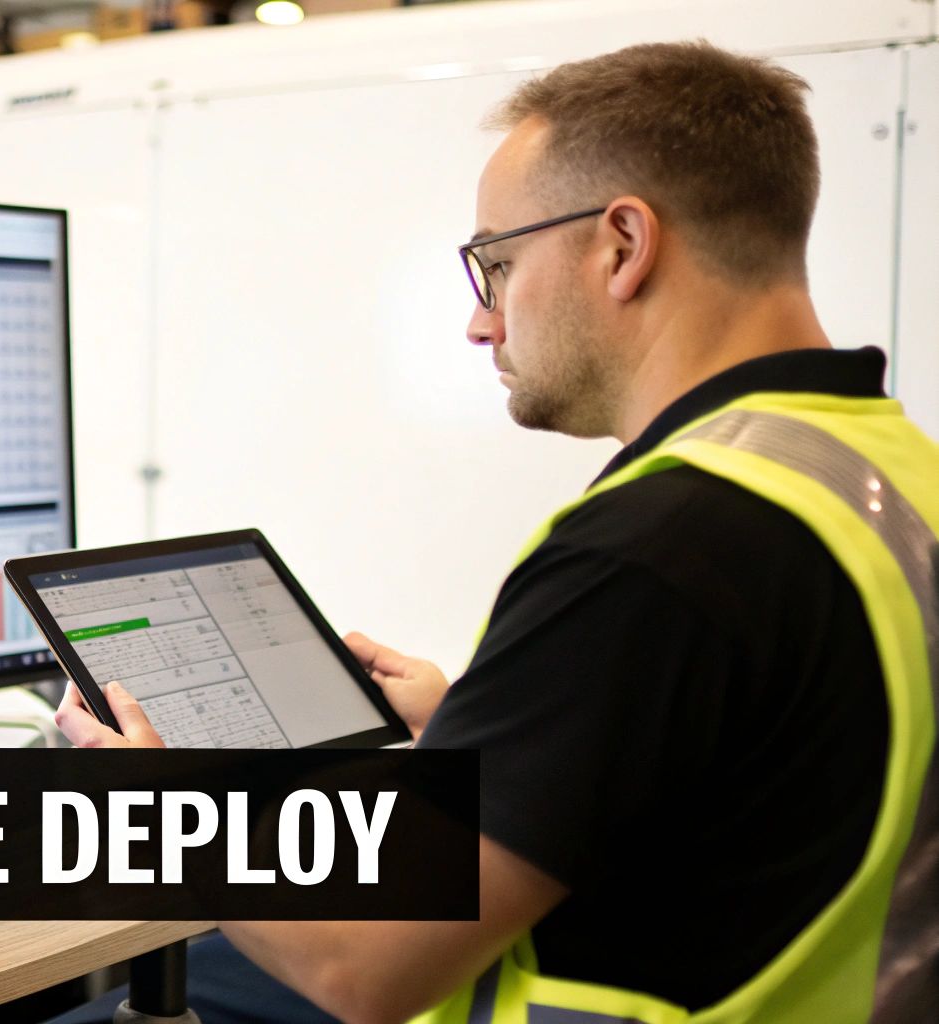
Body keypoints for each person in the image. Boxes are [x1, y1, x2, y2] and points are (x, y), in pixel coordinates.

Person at [48, 40, 938, 1024]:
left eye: (496, 264)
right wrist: (506, 732)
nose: (481, 323)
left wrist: (149, 810)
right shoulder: (888, 471)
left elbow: (361, 969)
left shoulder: (660, 545)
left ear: (621, 245)